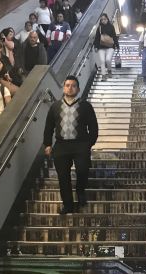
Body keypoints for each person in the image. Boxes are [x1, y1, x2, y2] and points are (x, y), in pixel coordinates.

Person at [43, 76, 99, 214]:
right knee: (63, 176)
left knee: (82, 170)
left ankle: (80, 192)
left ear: (78, 89)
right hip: (61, 146)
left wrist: (88, 144)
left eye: (73, 85)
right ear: (63, 88)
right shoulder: (55, 106)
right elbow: (49, 127)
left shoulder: (86, 106)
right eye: (67, 85)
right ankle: (68, 204)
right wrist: (48, 144)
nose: (70, 88)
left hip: (80, 145)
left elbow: (93, 127)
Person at [94, 13, 120, 81]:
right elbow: (97, 38)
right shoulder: (99, 28)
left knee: (108, 59)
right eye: (102, 19)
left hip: (110, 46)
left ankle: (109, 70)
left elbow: (114, 36)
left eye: (104, 19)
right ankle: (103, 75)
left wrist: (117, 45)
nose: (103, 21)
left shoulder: (111, 27)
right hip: (101, 47)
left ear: (107, 18)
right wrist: (95, 46)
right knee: (102, 61)